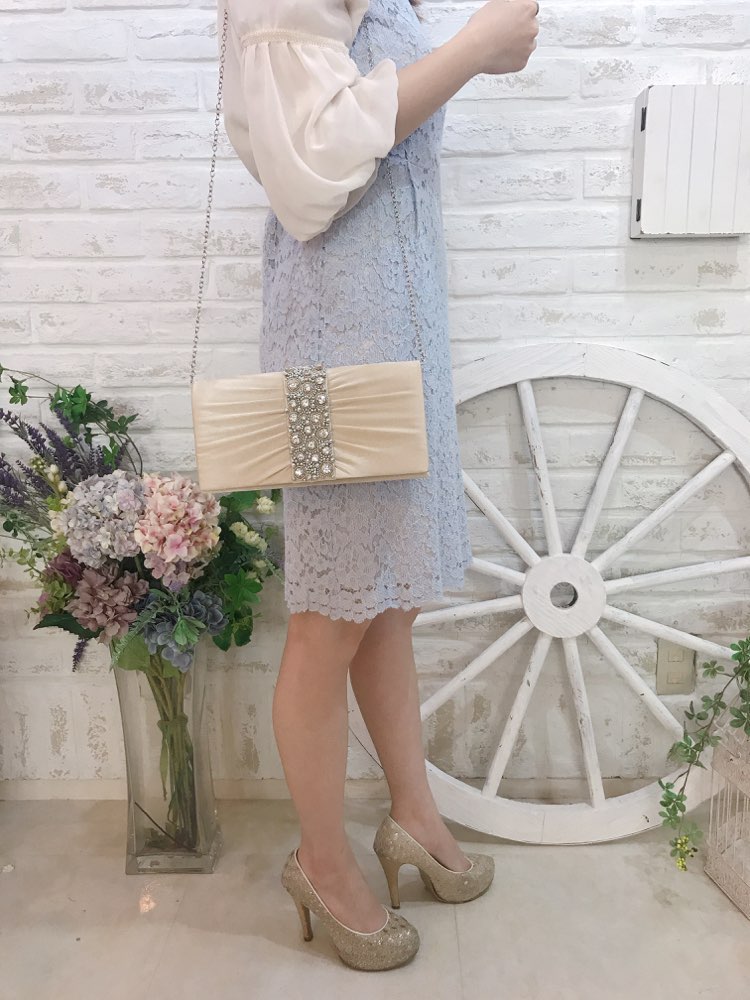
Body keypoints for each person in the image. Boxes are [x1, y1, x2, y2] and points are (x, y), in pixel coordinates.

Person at [218, 0, 539, 971]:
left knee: (387, 598)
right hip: (337, 342)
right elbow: (309, 172)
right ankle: (321, 860)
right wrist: (472, 50)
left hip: (397, 324)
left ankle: (413, 815)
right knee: (331, 617)